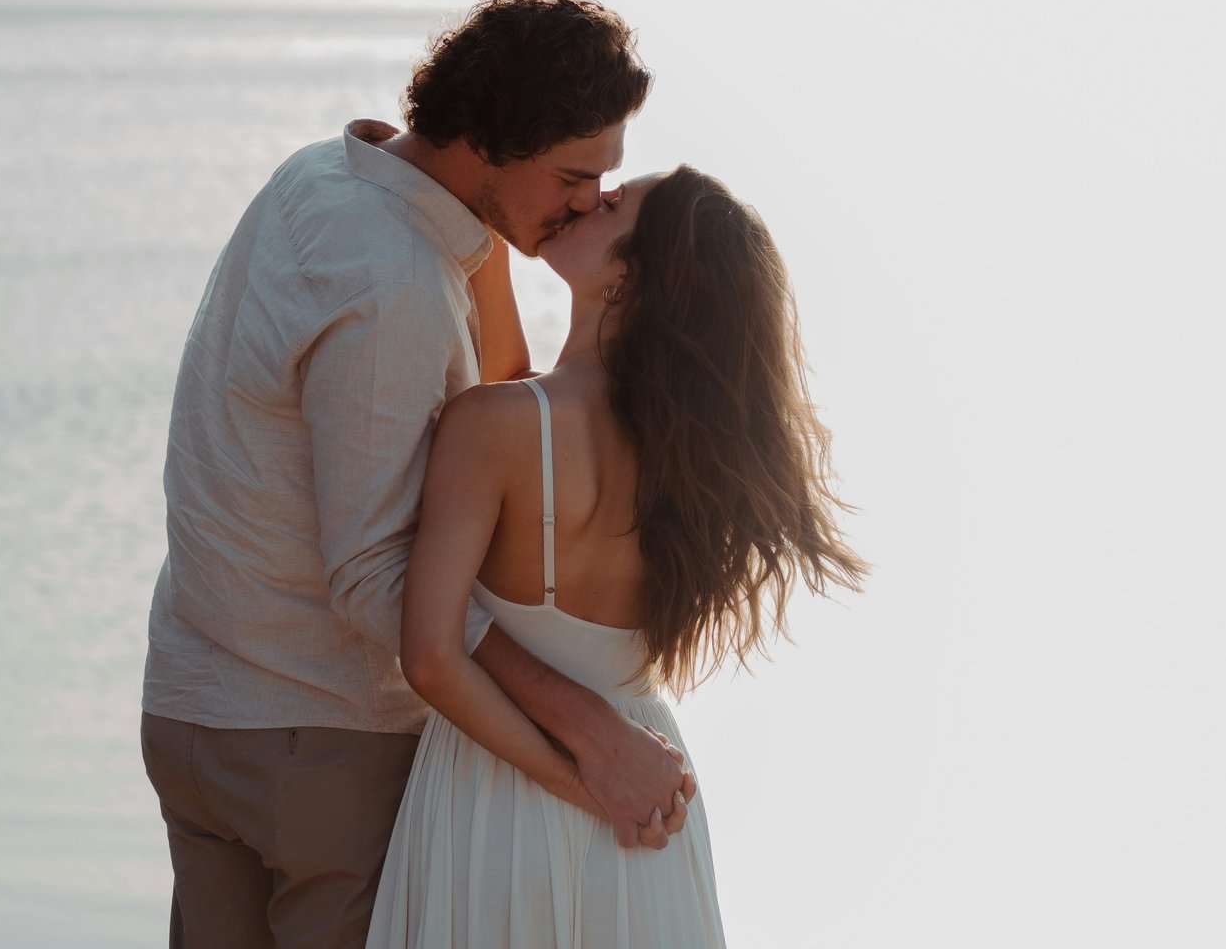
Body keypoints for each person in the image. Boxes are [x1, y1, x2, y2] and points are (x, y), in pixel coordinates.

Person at [140, 0, 697, 949]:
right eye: (572, 174)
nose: (588, 201)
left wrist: (487, 232)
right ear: (487, 142)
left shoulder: (324, 176)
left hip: (200, 712)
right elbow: (377, 582)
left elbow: (505, 395)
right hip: (319, 747)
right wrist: (588, 749)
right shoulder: (396, 286)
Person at [366, 167, 869, 947]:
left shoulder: (492, 429)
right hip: (648, 804)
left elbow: (431, 659)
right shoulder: (695, 460)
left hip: (502, 798)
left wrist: (581, 778)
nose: (582, 199)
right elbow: (520, 387)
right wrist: (490, 235)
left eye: (610, 205)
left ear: (628, 278)